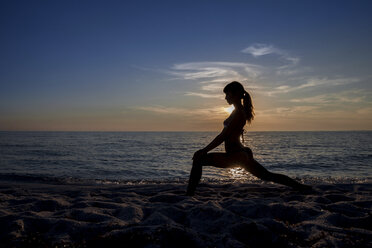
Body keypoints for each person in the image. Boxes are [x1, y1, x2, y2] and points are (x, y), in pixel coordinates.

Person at [186, 81, 311, 196]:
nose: (225, 98)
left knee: (199, 159)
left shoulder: (239, 112)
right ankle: (302, 187)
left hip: (235, 155)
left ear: (235, 94)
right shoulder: (236, 111)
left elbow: (223, 136)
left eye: (227, 94)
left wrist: (204, 150)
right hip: (240, 153)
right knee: (267, 175)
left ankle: (189, 194)